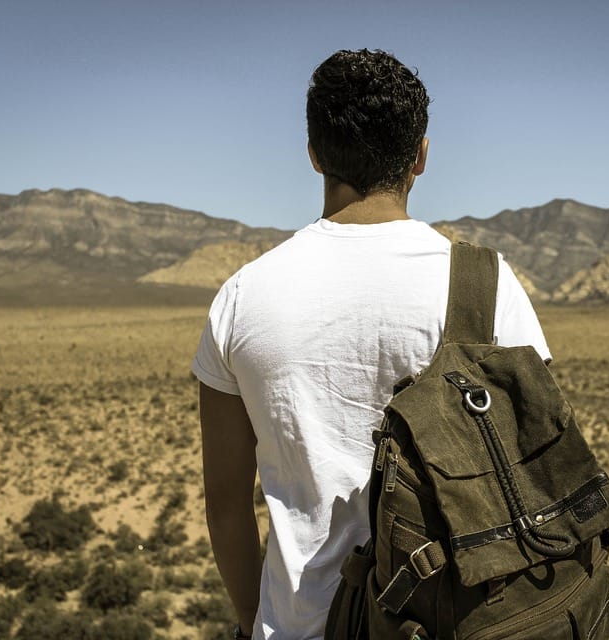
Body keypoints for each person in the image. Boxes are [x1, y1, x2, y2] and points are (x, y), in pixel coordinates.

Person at [192, 48, 551, 640]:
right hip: (458, 622)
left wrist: (256, 622)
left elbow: (226, 504)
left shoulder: (241, 297)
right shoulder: (486, 285)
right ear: (421, 156)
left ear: (313, 154)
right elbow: (536, 461)